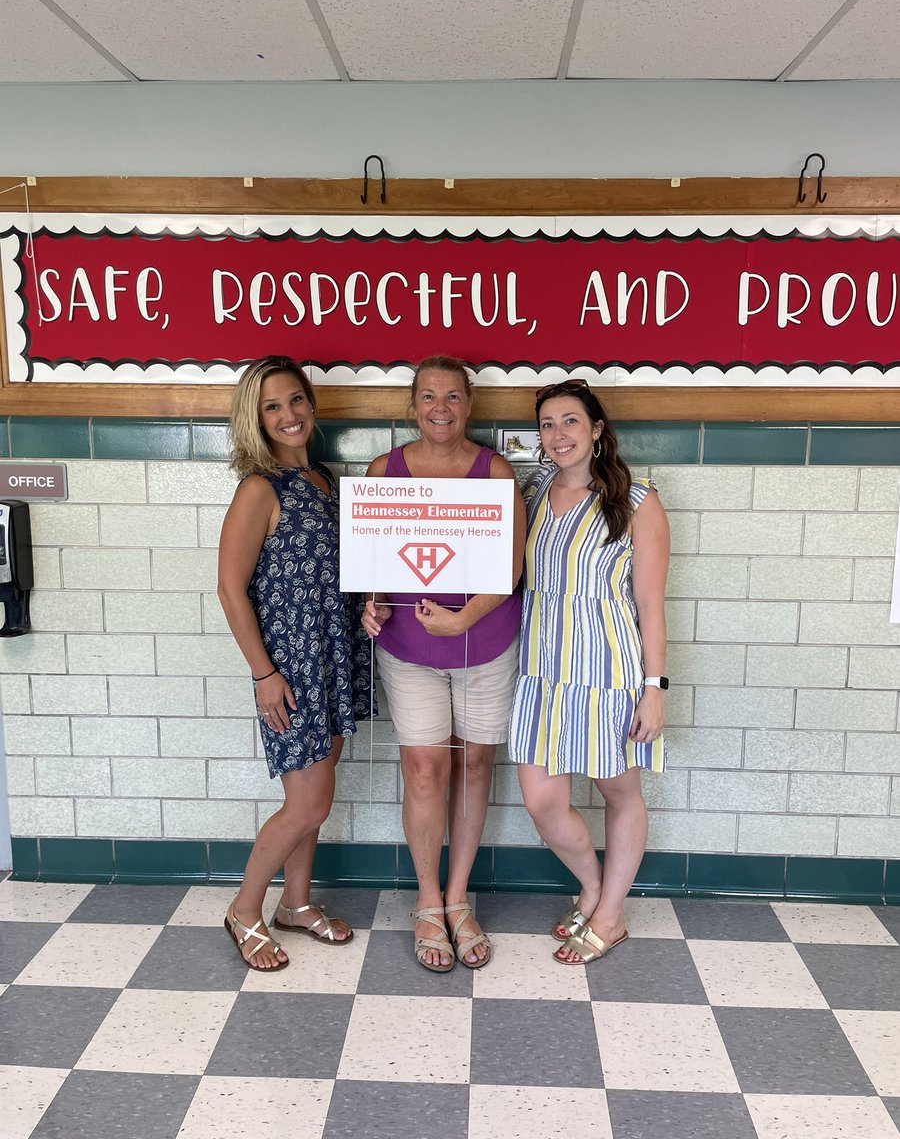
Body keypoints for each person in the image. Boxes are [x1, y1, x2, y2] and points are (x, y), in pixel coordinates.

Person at [362, 355, 525, 972]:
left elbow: (510, 569)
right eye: (428, 396)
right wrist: (372, 604)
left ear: (469, 404)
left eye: (452, 397)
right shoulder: (387, 470)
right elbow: (375, 564)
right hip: (409, 646)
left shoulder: (495, 471)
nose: (440, 408)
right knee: (425, 769)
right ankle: (427, 901)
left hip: (485, 639)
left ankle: (460, 899)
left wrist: (461, 618)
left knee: (476, 763)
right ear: (412, 403)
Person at [218, 354, 370, 971]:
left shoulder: (326, 480)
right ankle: (244, 909)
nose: (288, 415)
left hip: (334, 652)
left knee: (318, 791)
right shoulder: (258, 489)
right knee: (306, 801)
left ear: (312, 404)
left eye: (296, 401)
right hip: (291, 665)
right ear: (255, 419)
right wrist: (264, 674)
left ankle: (296, 903)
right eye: (272, 407)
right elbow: (230, 589)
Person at [509, 380, 669, 965]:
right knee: (541, 799)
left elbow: (650, 603)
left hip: (609, 674)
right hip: (542, 672)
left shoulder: (638, 501)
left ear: (597, 431)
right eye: (548, 424)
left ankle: (610, 914)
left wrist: (654, 690)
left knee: (617, 792)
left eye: (571, 421)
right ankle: (597, 886)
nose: (559, 435)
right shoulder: (532, 491)